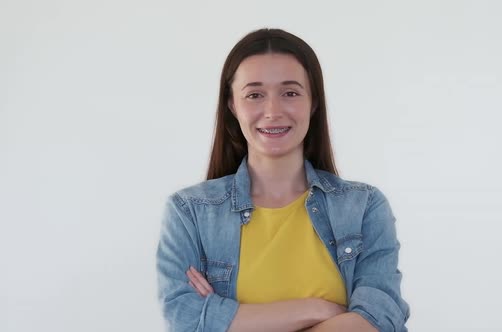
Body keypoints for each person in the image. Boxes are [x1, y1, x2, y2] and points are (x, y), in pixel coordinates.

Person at [156, 28, 410, 332]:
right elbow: (184, 318)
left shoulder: (364, 207)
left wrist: (226, 319)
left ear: (313, 102)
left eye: (290, 93)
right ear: (232, 105)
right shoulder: (191, 212)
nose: (273, 111)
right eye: (254, 95)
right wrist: (318, 310)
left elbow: (380, 318)